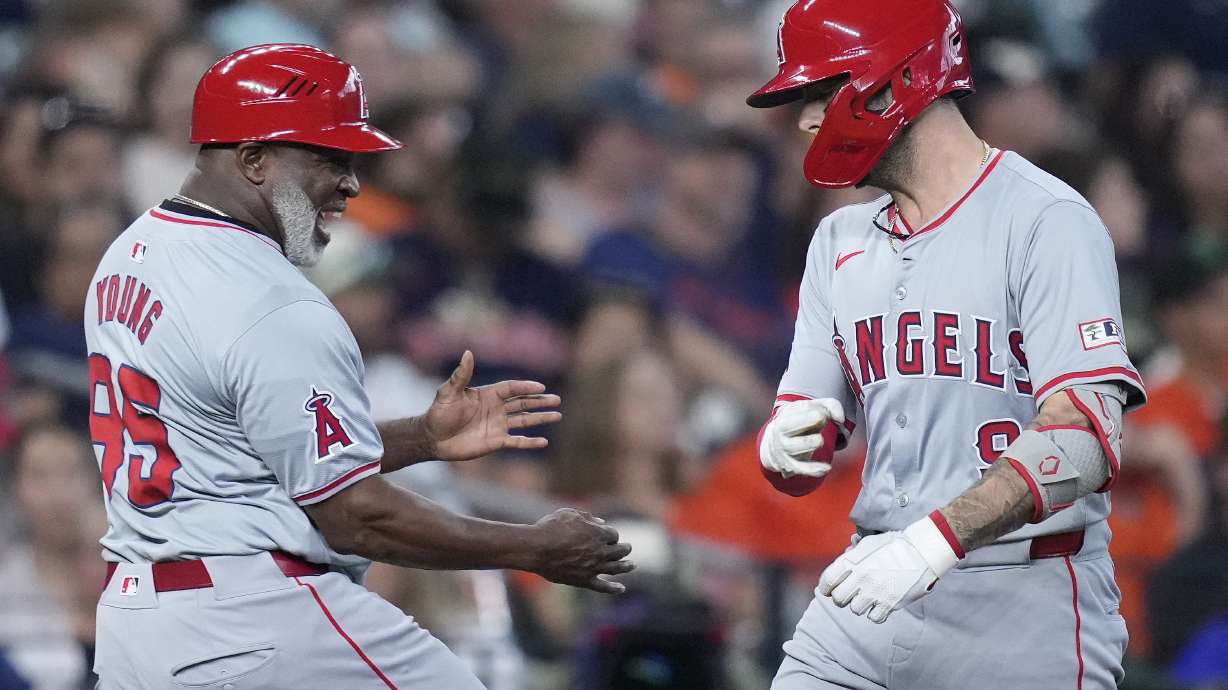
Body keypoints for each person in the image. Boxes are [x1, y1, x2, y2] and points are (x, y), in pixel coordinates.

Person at [86, 44, 633, 690]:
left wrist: (421, 438)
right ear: (252, 159)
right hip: (257, 618)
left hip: (136, 621)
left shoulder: (129, 255)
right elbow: (356, 516)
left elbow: (245, 456)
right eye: (327, 157)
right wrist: (532, 547)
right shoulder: (273, 301)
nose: (350, 182)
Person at [747, 2, 1145, 688]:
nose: (808, 119)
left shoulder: (1046, 220)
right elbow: (805, 437)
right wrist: (787, 438)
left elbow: (1084, 441)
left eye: (822, 92)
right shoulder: (838, 243)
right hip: (867, 592)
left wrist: (936, 540)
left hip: (1025, 605)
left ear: (895, 82)